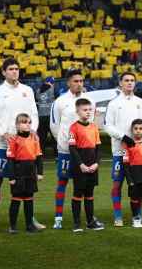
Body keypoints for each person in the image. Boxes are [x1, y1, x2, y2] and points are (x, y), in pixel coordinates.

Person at [0, 58, 41, 232]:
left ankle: (30, 218)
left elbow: (34, 113)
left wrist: (33, 130)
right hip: (4, 145)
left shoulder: (28, 90)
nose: (14, 71)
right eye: (11, 69)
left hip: (26, 145)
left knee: (28, 181)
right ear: (3, 72)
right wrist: (3, 133)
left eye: (17, 68)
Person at [104, 72, 142, 227]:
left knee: (138, 184)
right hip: (120, 150)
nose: (130, 83)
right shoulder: (113, 103)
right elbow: (107, 125)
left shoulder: (141, 102)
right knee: (117, 184)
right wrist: (123, 137)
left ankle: (137, 216)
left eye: (132, 80)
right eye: (126, 80)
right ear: (120, 83)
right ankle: (118, 216)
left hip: (138, 152)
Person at [49, 69, 95, 229]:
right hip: (66, 151)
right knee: (62, 181)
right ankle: (58, 217)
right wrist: (63, 143)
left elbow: (91, 124)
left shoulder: (89, 100)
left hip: (85, 153)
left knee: (84, 184)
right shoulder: (60, 102)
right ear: (68, 83)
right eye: (76, 81)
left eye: (81, 81)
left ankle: (88, 217)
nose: (79, 84)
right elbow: (54, 126)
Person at [67, 98, 105, 232]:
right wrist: (81, 165)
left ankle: (90, 222)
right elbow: (72, 149)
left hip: (92, 165)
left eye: (90, 110)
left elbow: (98, 148)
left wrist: (96, 163)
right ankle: (77, 224)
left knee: (89, 194)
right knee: (78, 193)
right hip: (80, 167)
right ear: (77, 111)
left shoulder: (94, 127)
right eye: (85, 110)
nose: (88, 112)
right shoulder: (73, 127)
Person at [6, 113, 44, 233]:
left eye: (29, 122)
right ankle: (12, 226)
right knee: (16, 199)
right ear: (17, 125)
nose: (27, 125)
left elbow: (38, 157)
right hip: (19, 172)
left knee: (29, 199)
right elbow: (10, 160)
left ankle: (29, 225)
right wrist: (11, 177)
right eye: (23, 122)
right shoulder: (14, 140)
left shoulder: (34, 139)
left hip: (31, 171)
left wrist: (40, 172)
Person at [35, 77, 55, 155]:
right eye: (52, 83)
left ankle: (40, 153)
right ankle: (56, 154)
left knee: (42, 137)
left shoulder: (37, 90)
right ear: (50, 82)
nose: (53, 84)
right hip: (50, 116)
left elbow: (36, 103)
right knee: (54, 136)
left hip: (41, 116)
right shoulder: (53, 90)